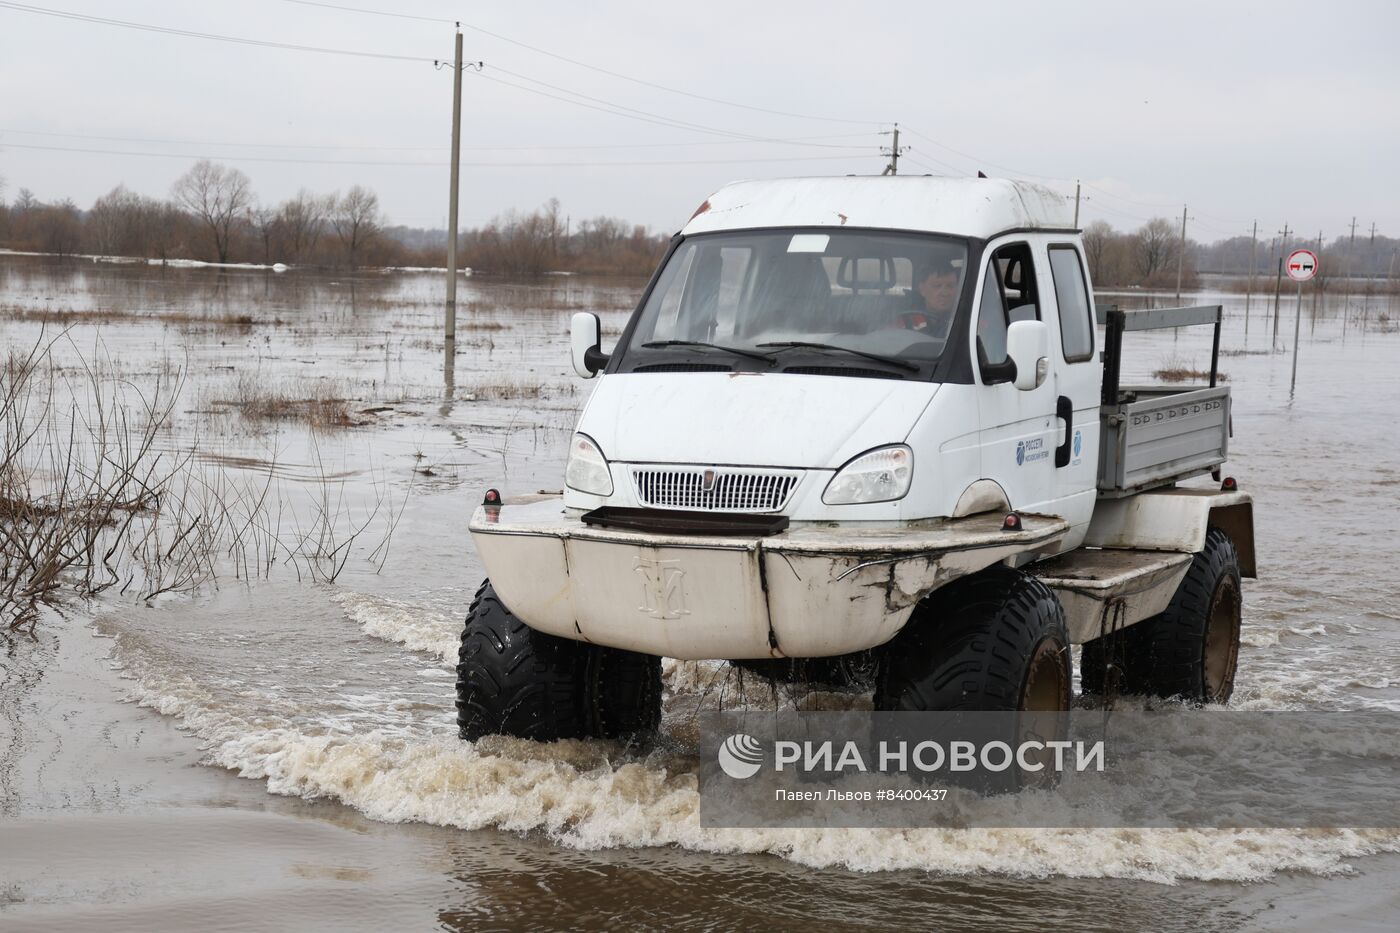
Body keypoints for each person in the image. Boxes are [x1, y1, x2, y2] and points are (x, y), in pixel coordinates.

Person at [897, 257, 960, 337]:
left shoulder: (970, 320)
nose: (945, 293)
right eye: (937, 286)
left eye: (950, 286)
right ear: (922, 289)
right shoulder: (906, 321)